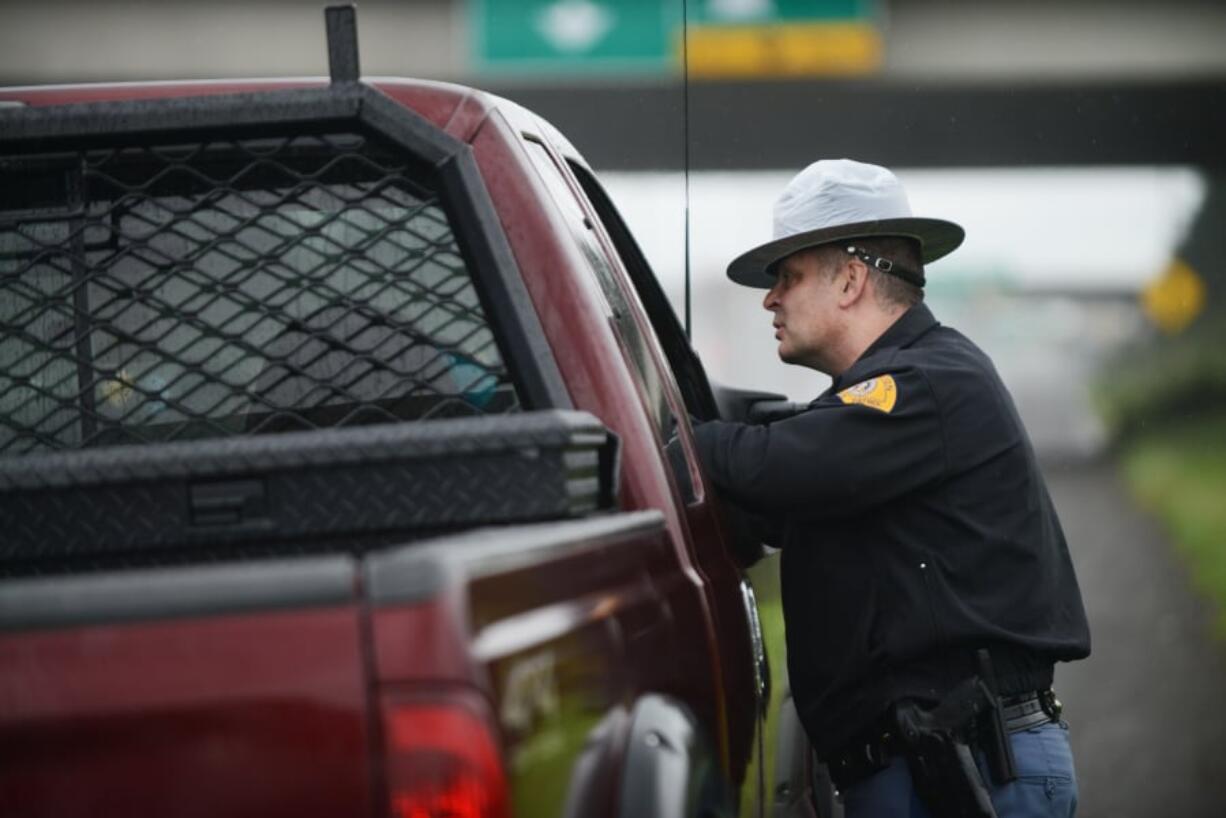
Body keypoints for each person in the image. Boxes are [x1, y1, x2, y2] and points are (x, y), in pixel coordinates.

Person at [690, 159, 1091, 818]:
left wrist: (659, 428)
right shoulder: (892, 398)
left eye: (786, 277)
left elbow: (782, 464)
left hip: (968, 774)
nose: (770, 298)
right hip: (941, 767)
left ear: (850, 280)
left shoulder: (925, 384)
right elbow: (789, 453)